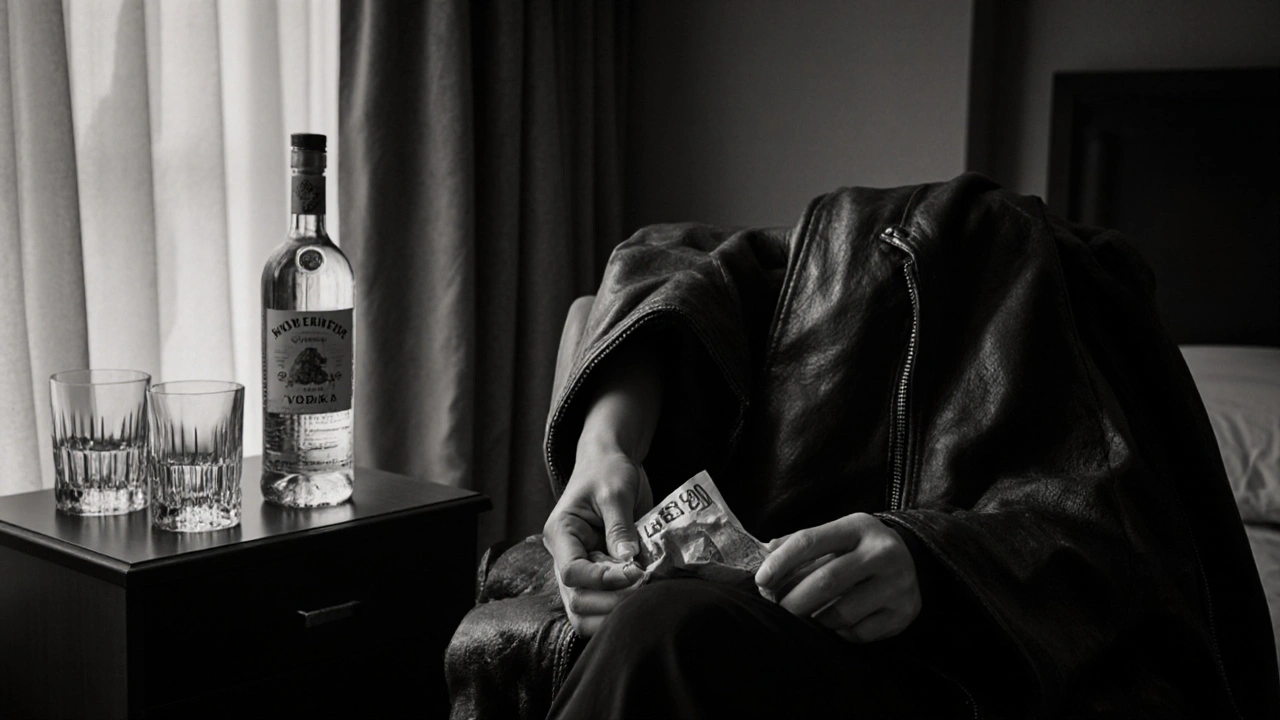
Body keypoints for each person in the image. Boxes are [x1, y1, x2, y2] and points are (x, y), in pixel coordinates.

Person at [537, 174, 1279, 718]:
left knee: (668, 631)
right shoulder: (768, 276)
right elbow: (667, 260)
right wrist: (604, 450)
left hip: (941, 668)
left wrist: (931, 560)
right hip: (742, 619)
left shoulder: (1060, 315)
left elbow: (1125, 547)